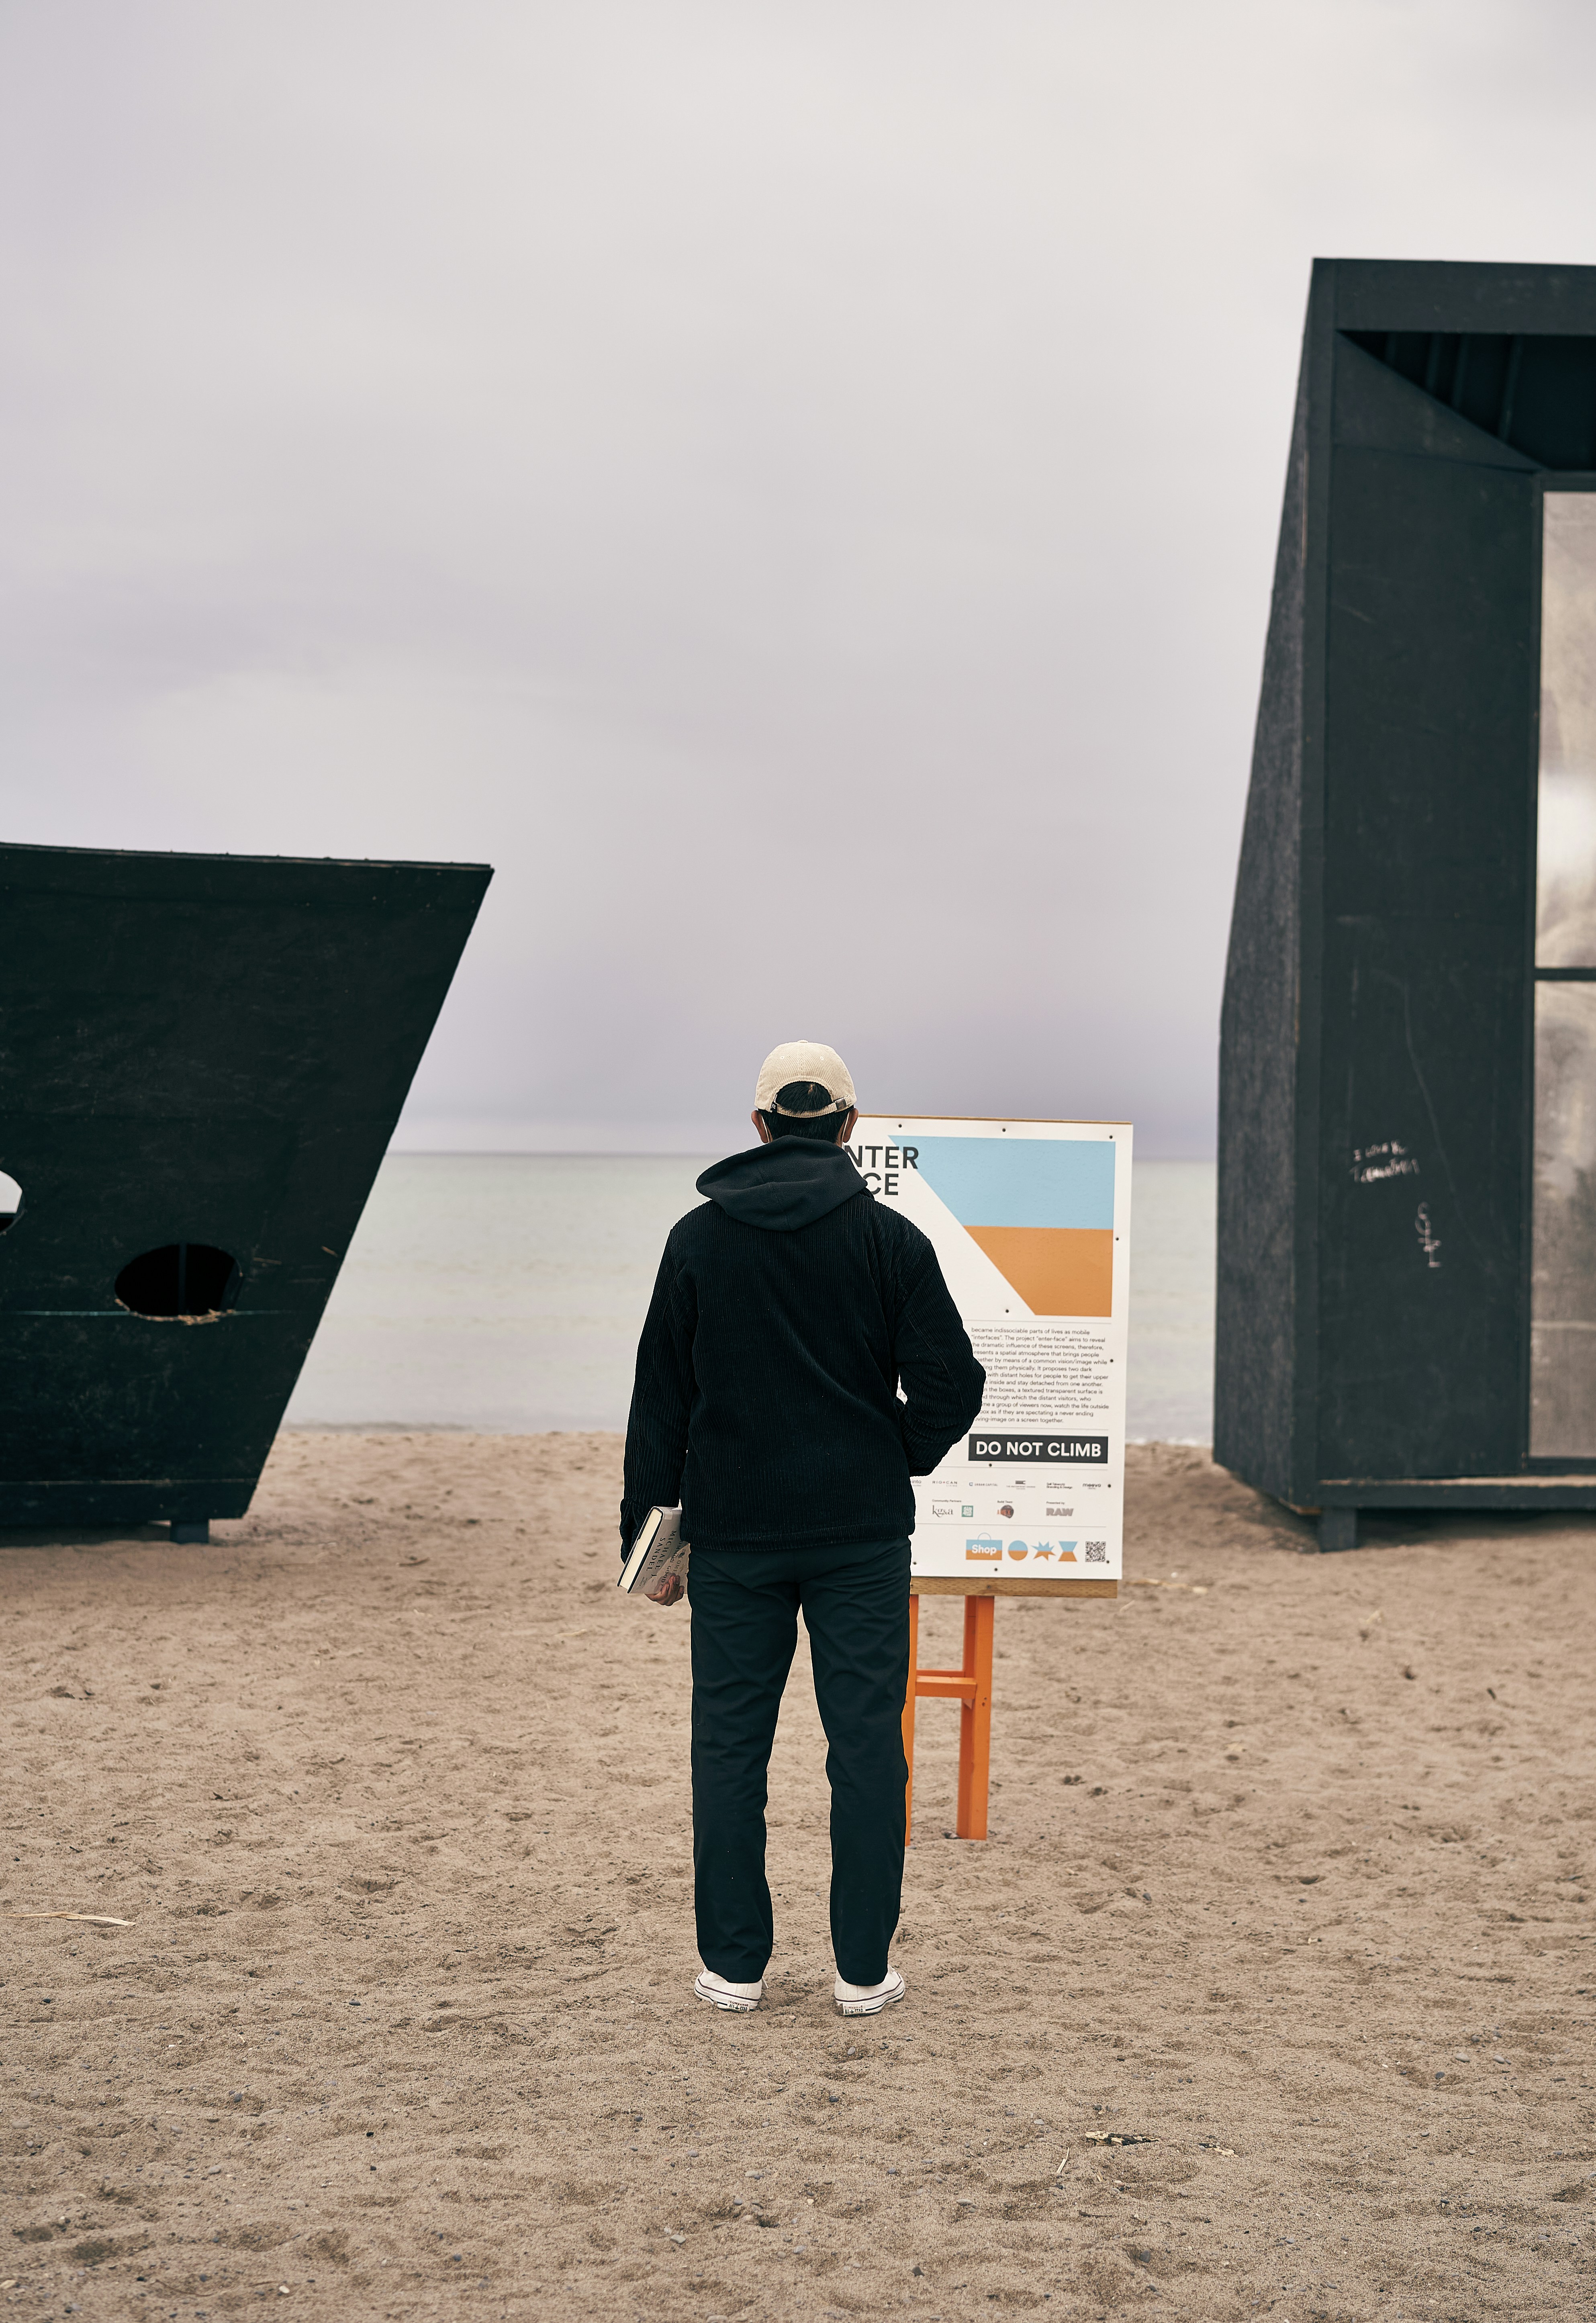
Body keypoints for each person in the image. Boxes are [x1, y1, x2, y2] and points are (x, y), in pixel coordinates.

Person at [620, 1040, 986, 2017]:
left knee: (729, 1748)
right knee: (866, 1747)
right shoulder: (891, 1242)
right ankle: (862, 1970)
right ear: (850, 1129)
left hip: (736, 1537)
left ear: (757, 1127)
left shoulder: (696, 1240)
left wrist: (644, 1544)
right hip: (860, 1535)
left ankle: (735, 1967)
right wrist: (892, 1450)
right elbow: (957, 1384)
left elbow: (660, 1400)